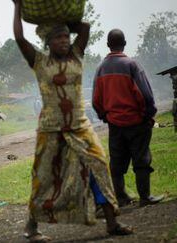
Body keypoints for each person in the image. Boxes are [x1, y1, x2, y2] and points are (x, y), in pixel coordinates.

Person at [11, 1, 133, 241]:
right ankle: (32, 226)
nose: (64, 41)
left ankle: (111, 222)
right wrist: (18, 6)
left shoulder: (77, 55)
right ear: (48, 43)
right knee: (44, 176)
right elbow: (20, 38)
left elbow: (85, 26)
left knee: (99, 167)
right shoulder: (39, 61)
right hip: (51, 129)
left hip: (80, 126)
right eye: (58, 38)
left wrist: (62, 18)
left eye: (66, 37)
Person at [92, 29, 164, 207]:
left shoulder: (101, 68)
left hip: (115, 124)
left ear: (108, 45)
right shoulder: (132, 65)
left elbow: (96, 100)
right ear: (124, 44)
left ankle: (121, 197)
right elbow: (146, 96)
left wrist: (106, 116)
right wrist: (148, 116)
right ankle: (145, 197)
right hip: (137, 122)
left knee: (117, 162)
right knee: (141, 159)